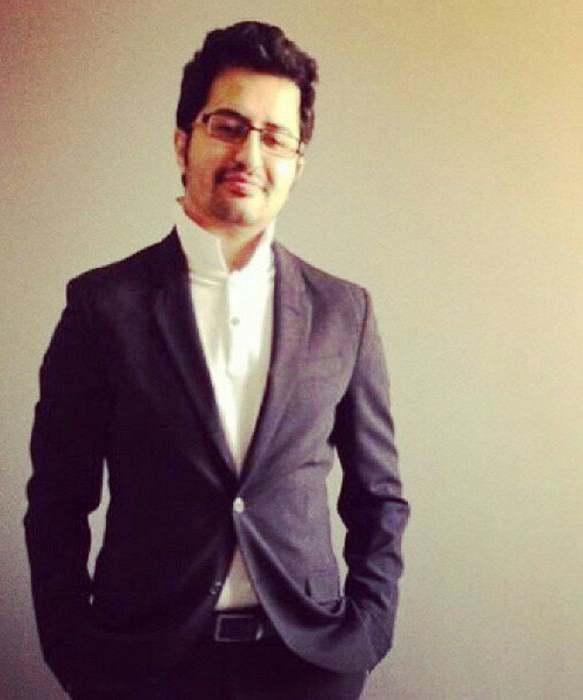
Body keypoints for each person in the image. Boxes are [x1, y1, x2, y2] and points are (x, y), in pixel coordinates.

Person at [25, 20, 409, 700]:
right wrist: (72, 648)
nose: (250, 153)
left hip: (306, 666)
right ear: (184, 141)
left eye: (275, 137)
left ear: (296, 163)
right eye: (228, 126)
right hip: (141, 667)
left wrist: (366, 635)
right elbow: (57, 498)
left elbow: (377, 496)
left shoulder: (345, 313)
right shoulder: (100, 307)